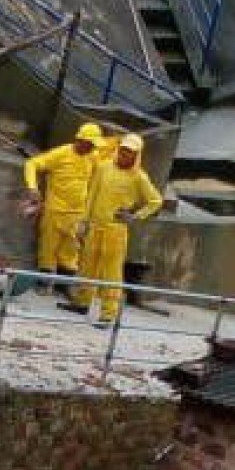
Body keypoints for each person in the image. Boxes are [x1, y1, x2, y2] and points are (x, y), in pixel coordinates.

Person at [65, 133, 162, 327]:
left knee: (112, 273)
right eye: (123, 150)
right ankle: (82, 302)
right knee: (87, 265)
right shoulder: (103, 167)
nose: (125, 154)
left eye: (130, 152)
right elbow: (91, 194)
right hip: (95, 225)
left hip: (116, 230)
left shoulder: (139, 177)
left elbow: (155, 201)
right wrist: (83, 221)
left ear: (137, 155)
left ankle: (108, 313)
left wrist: (135, 216)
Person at [22, 123, 103, 294]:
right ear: (80, 140)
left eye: (94, 145)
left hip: (77, 213)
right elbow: (32, 164)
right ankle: (44, 284)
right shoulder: (60, 154)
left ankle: (63, 286)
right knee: (48, 248)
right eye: (90, 144)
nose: (92, 148)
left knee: (71, 249)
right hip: (55, 211)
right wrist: (32, 188)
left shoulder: (93, 157)